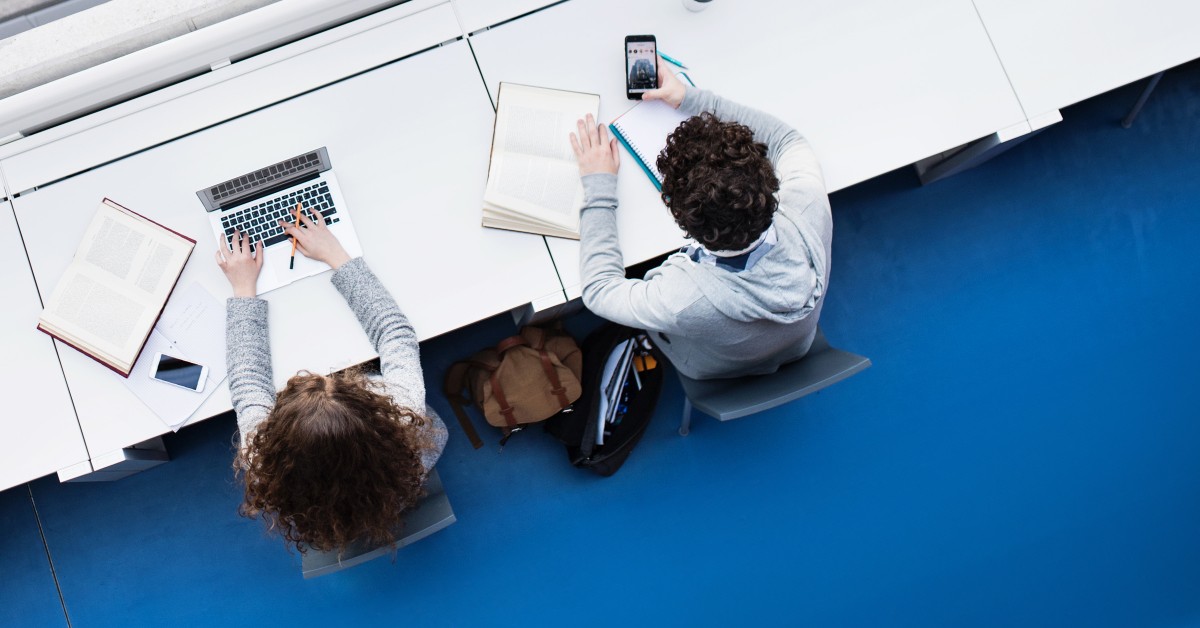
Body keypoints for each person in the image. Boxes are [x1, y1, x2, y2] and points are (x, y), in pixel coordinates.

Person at [569, 60, 832, 380]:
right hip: (796, 344)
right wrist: (692, 99)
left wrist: (599, 185)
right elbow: (788, 141)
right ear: (766, 175)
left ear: (680, 217)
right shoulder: (809, 206)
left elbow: (599, 291)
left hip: (710, 367)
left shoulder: (681, 298)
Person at [215, 209, 447, 554]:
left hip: (343, 501)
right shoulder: (403, 415)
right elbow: (396, 334)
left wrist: (243, 288)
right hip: (392, 480)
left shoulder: (262, 459)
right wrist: (336, 255)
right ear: (373, 407)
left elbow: (248, 382)